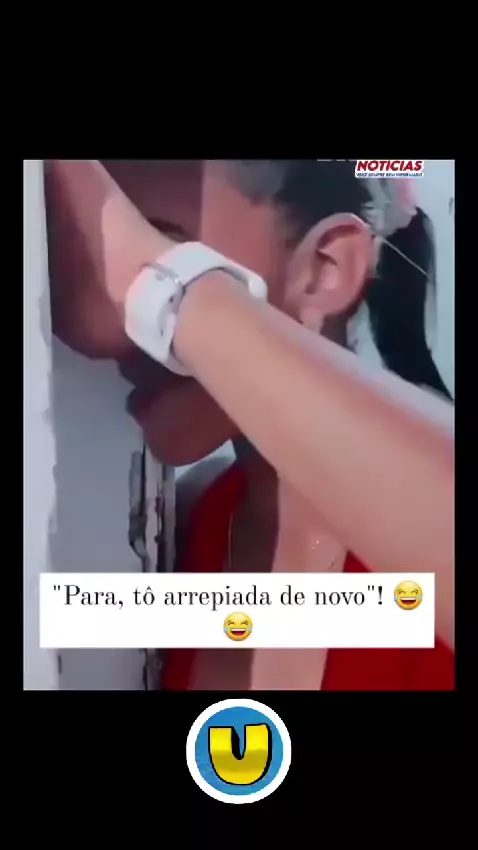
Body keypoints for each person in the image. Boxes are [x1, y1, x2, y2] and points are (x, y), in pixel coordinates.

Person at [44, 160, 454, 690]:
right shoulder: (190, 523)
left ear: (325, 269)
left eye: (166, 247)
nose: (110, 316)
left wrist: (159, 293)